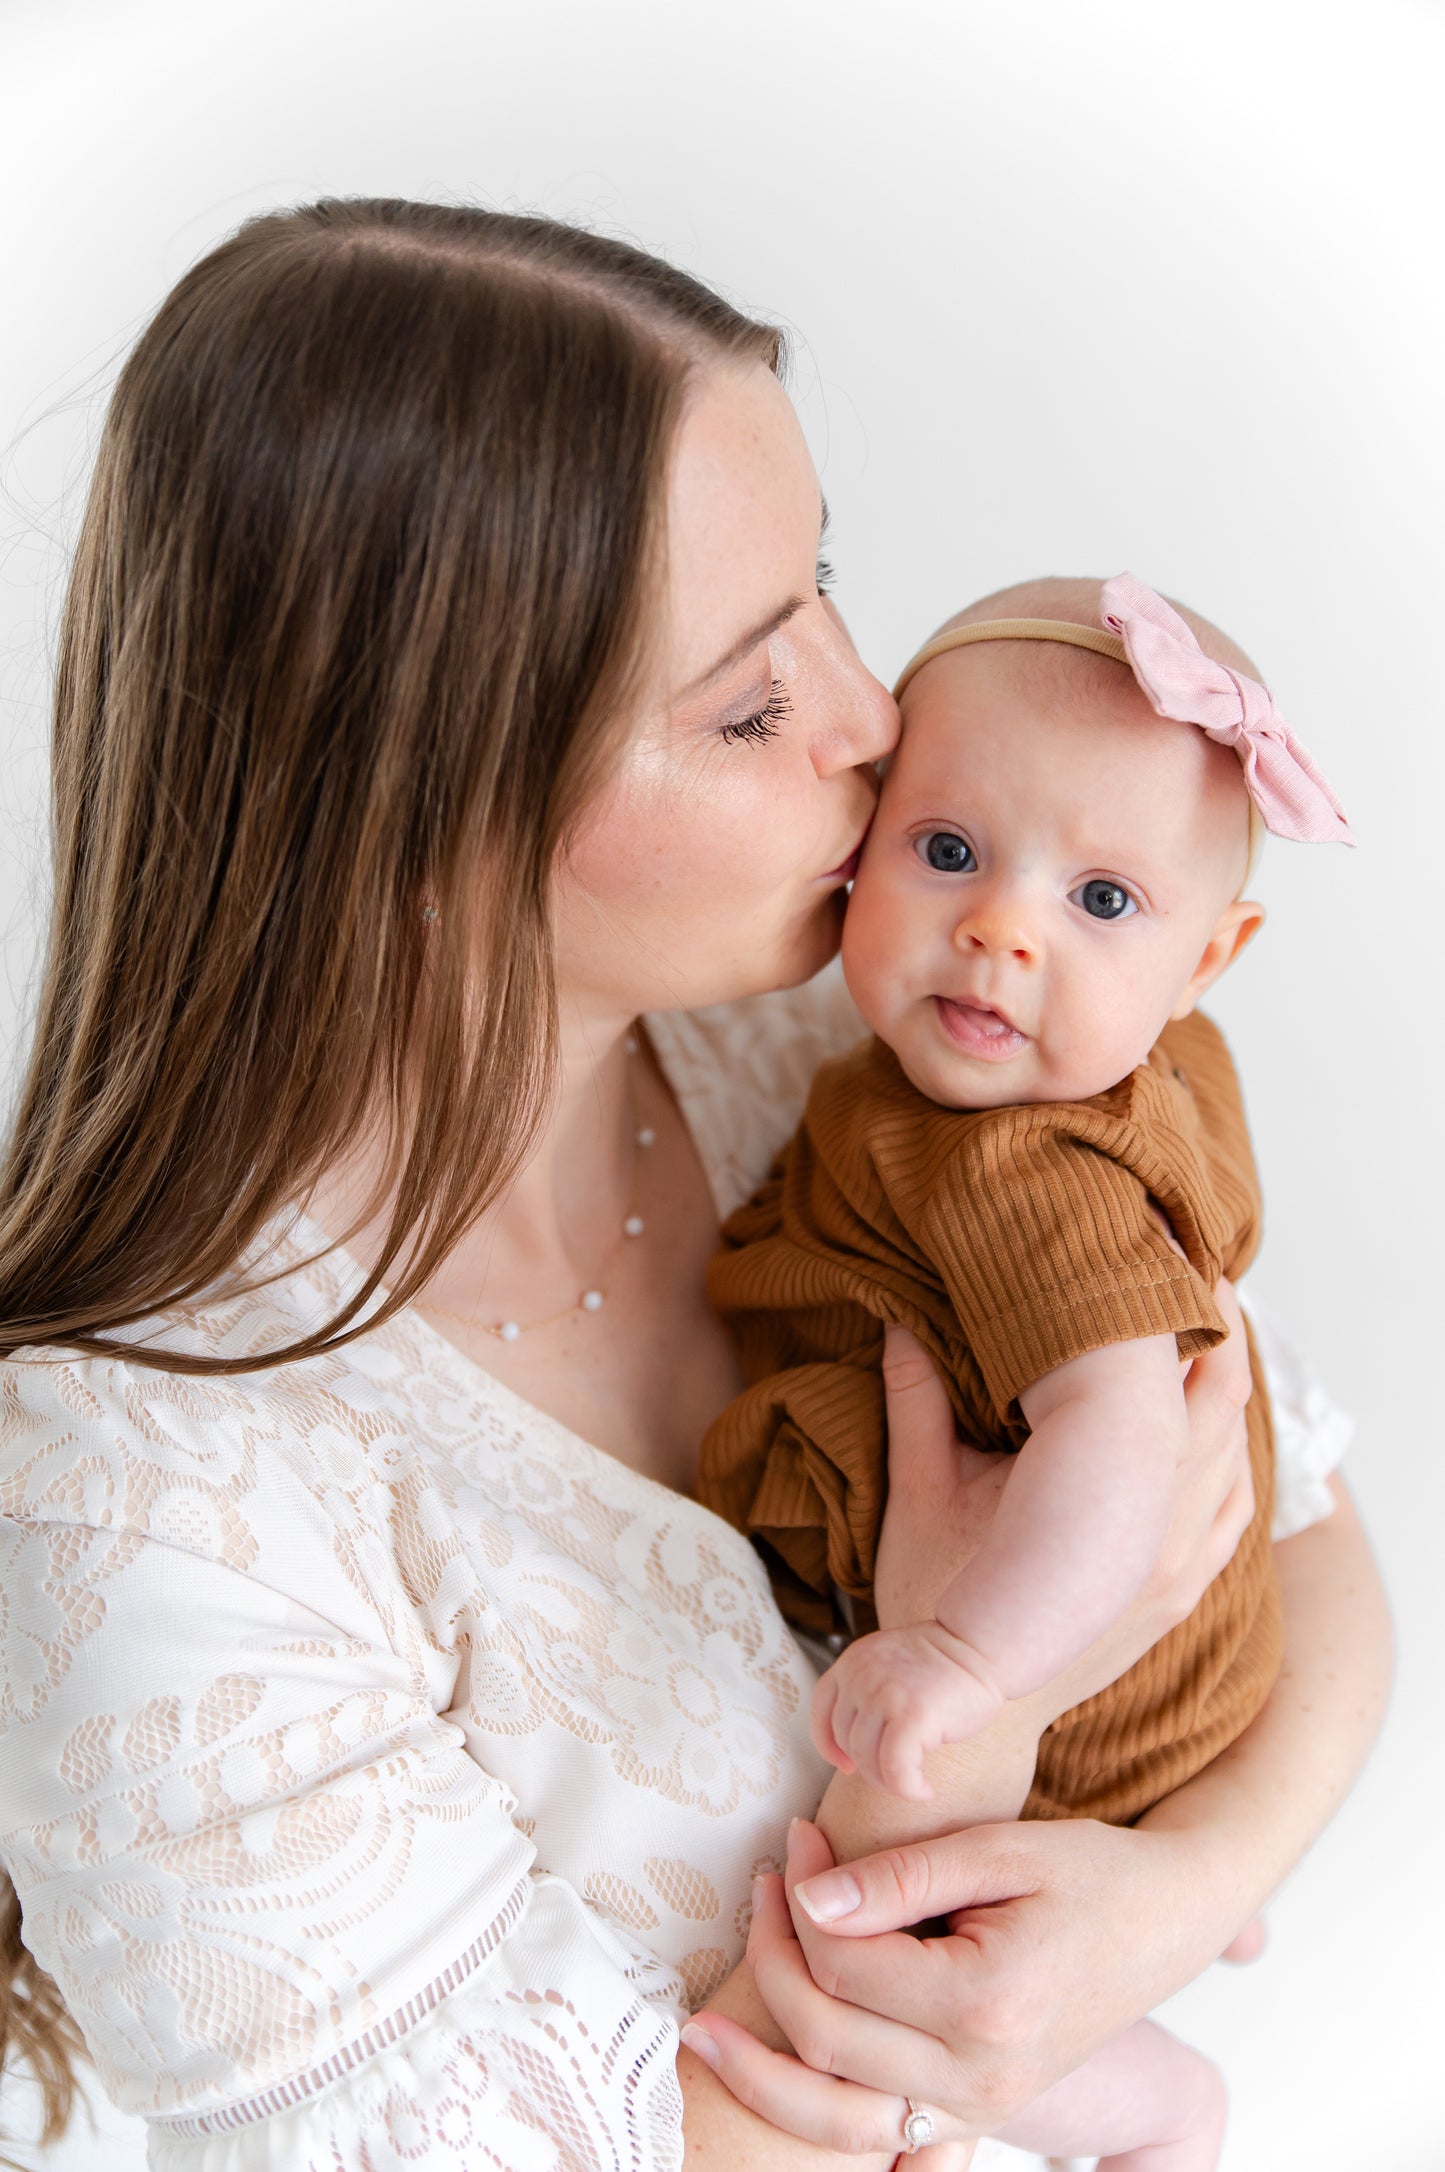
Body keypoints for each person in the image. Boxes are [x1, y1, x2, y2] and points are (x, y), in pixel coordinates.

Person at [0, 199, 1388, 2172]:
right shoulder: (133, 1487)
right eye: (750, 701)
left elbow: (1298, 1519)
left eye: (821, 583)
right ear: (418, 803)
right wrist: (981, 1718)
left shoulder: (855, 1035)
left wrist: (1173, 1900)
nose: (875, 717)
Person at [697, 570, 1353, 2167]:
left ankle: (1157, 2104)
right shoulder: (1128, 1069)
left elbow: (1119, 1439)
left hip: (1080, 1712)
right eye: (947, 853)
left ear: (1207, 959)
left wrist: (972, 1663)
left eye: (1102, 900)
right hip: (1159, 1684)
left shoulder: (1024, 1174)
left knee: (895, 1952)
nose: (1001, 929)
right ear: (861, 845)